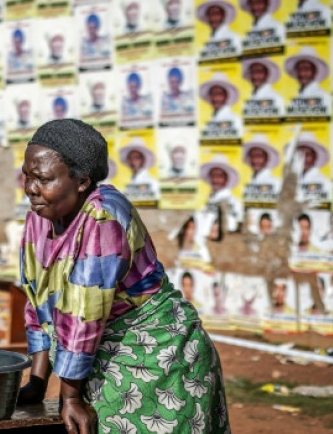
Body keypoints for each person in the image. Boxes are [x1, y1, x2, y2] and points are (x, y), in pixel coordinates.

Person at [15, 119, 230, 433]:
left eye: (44, 178)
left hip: (159, 359)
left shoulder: (104, 218)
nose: (32, 188)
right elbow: (38, 299)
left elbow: (85, 312)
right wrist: (37, 381)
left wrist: (71, 396)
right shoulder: (40, 216)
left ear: (82, 181)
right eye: (28, 176)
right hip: (100, 355)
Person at [286, 47, 331, 112]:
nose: (302, 73)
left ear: (315, 71)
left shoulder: (324, 98)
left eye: (307, 69)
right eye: (299, 69)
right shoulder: (297, 99)